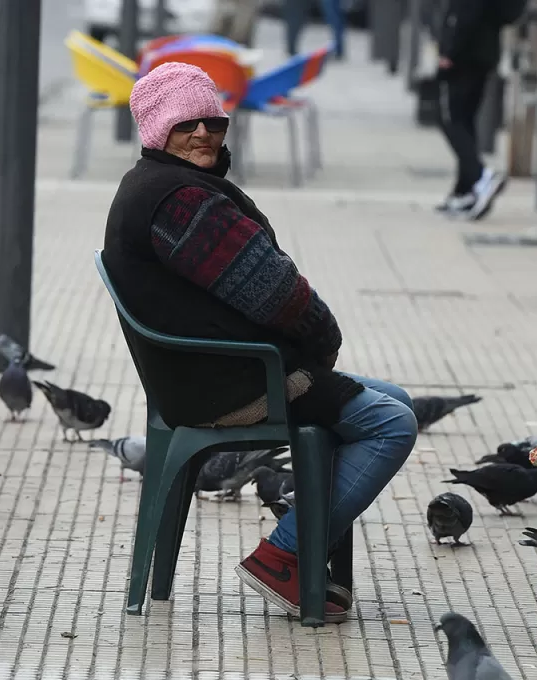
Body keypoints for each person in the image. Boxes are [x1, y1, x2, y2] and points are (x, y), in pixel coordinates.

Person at [102, 63, 419, 623]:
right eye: (185, 125)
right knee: (392, 424)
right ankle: (283, 556)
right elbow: (272, 292)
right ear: (157, 132)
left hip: (203, 374)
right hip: (232, 381)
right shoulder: (179, 201)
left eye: (212, 122)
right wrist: (324, 338)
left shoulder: (159, 185)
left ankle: (310, 560)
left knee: (395, 398)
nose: (203, 134)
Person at [434, 0, 507, 220]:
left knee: (450, 118)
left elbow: (465, 12)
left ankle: (480, 175)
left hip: (464, 55)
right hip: (483, 52)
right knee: (465, 119)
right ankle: (465, 191)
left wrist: (449, 50)